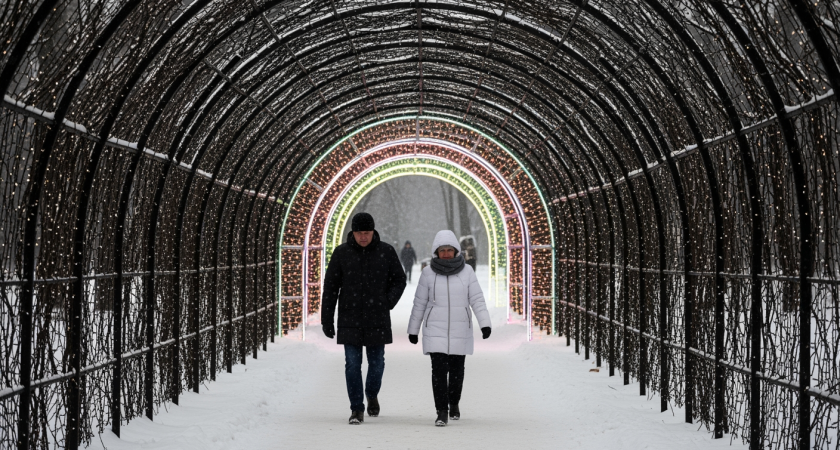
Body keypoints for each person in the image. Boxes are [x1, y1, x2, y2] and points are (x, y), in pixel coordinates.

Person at [321, 212, 407, 425]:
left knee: (377, 363)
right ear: (353, 232)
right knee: (352, 364)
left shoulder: (386, 252)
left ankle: (371, 393)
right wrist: (326, 319)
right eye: (359, 233)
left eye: (366, 233)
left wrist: (387, 301)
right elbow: (331, 287)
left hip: (377, 317)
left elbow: (399, 279)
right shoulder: (341, 253)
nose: (363, 237)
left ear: (373, 231)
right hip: (349, 318)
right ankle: (356, 409)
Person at [407, 230, 491, 427]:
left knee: (456, 372)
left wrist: (485, 323)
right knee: (438, 371)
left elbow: (477, 299)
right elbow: (419, 303)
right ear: (436, 252)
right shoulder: (427, 273)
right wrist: (413, 329)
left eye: (449, 250)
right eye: (442, 250)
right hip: (434, 329)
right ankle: (441, 411)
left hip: (460, 329)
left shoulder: (467, 272)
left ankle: (454, 402)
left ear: (456, 251)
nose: (446, 253)